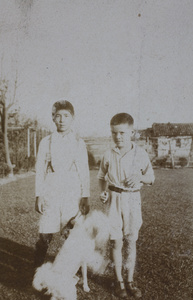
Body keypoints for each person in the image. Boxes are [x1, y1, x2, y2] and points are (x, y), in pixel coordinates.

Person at [98, 113, 155, 299]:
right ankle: (118, 281)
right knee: (116, 241)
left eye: (122, 132)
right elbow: (101, 177)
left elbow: (151, 178)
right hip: (114, 199)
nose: (118, 137)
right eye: (114, 133)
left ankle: (130, 280)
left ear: (132, 132)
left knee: (131, 241)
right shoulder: (108, 154)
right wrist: (103, 190)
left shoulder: (140, 153)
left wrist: (140, 177)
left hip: (132, 200)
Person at [34, 100, 90, 268]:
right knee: (45, 234)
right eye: (58, 116)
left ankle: (69, 270)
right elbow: (39, 170)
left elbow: (84, 171)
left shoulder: (79, 142)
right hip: (51, 190)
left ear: (72, 118)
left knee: (72, 234)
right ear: (53, 118)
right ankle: (37, 270)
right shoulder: (46, 142)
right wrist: (39, 195)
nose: (62, 120)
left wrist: (85, 196)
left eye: (66, 116)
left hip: (72, 192)